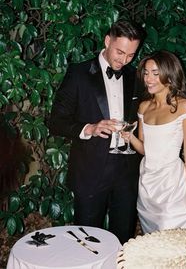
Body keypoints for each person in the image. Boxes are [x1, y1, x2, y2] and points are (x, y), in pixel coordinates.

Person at [48, 19, 145, 244]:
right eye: (120, 52)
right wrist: (89, 128)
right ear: (107, 40)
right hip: (91, 170)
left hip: (127, 171)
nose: (124, 60)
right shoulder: (79, 74)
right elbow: (56, 121)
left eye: (131, 55)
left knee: (123, 239)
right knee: (87, 240)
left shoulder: (135, 76)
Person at [121, 50, 186, 233]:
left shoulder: (185, 107)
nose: (148, 78)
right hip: (148, 184)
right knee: (155, 240)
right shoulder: (144, 107)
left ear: (170, 75)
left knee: (177, 237)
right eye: (146, 73)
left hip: (172, 185)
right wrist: (130, 137)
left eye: (156, 74)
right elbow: (144, 150)